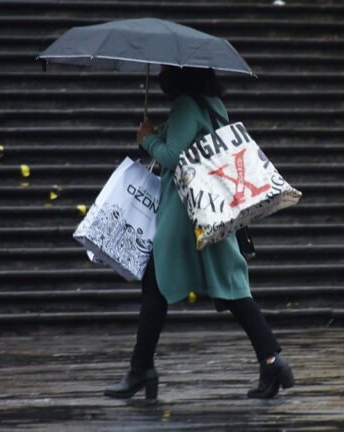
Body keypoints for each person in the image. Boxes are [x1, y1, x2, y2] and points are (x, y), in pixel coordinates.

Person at [104, 65, 294, 400]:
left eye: (166, 70)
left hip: (185, 215)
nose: (162, 75)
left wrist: (146, 139)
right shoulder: (211, 105)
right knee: (233, 289)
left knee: (156, 284)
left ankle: (141, 369)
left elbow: (173, 156)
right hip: (213, 211)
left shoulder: (186, 107)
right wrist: (156, 133)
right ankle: (272, 360)